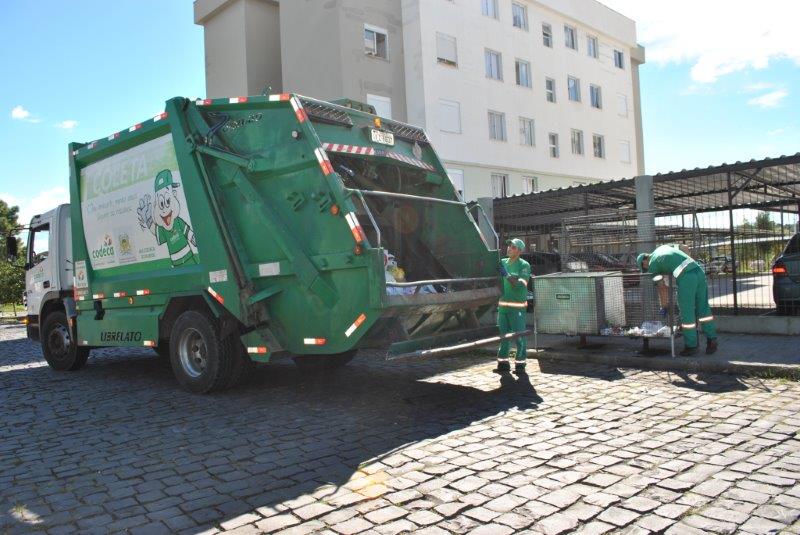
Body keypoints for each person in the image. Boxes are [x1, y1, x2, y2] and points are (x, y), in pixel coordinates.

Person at [637, 245, 718, 356]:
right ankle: (712, 339)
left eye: (644, 268)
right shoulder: (662, 248)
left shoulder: (652, 265)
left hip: (686, 277)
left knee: (687, 311)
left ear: (644, 262)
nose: (646, 270)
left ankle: (691, 346)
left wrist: (664, 306)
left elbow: (662, 287)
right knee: (703, 308)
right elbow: (685, 248)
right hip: (698, 271)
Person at [495, 238, 531, 375]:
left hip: (517, 309)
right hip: (503, 308)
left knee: (519, 336)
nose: (509, 248)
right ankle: (503, 363)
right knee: (504, 336)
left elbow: (519, 285)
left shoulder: (524, 265)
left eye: (513, 247)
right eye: (509, 245)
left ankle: (520, 364)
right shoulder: (502, 262)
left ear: (519, 251)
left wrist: (506, 274)